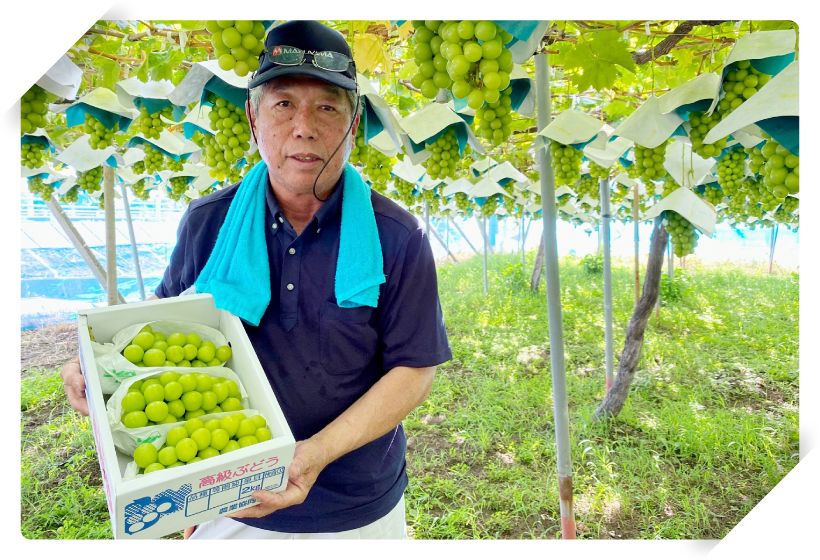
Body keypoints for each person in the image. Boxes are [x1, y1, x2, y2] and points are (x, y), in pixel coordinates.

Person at [61, 19, 452, 539]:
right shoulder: (208, 223)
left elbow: (414, 369)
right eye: (283, 103)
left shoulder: (398, 236)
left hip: (358, 505)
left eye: (328, 107)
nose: (304, 127)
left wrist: (316, 453)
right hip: (226, 492)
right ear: (253, 116)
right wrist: (97, 362)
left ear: (354, 124)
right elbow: (166, 324)